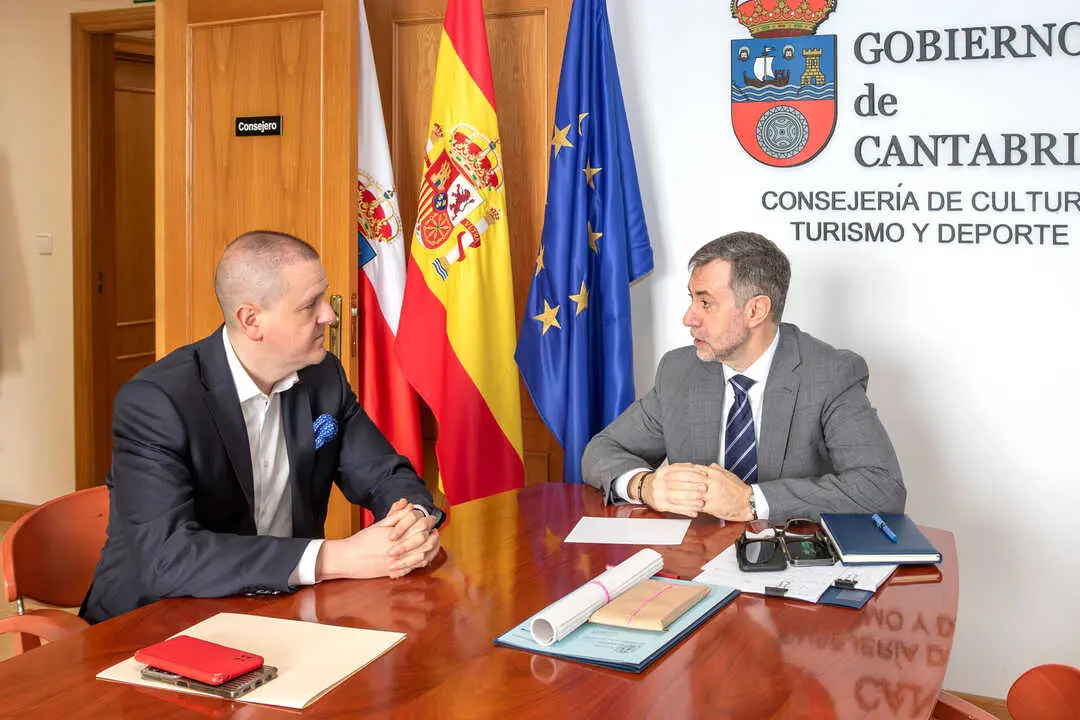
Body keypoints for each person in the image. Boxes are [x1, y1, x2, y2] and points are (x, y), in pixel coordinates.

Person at [81, 231, 442, 624]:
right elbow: (167, 556)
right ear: (252, 321)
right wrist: (335, 557)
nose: (329, 315)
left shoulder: (323, 377)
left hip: (273, 610)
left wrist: (410, 522)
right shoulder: (157, 401)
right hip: (151, 620)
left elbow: (384, 474)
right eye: (310, 305)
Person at [582, 231, 904, 522]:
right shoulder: (679, 371)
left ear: (756, 311)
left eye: (706, 302)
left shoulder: (829, 374)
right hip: (697, 562)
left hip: (789, 568)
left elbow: (882, 486)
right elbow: (601, 450)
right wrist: (645, 485)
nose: (688, 318)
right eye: (691, 299)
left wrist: (751, 501)